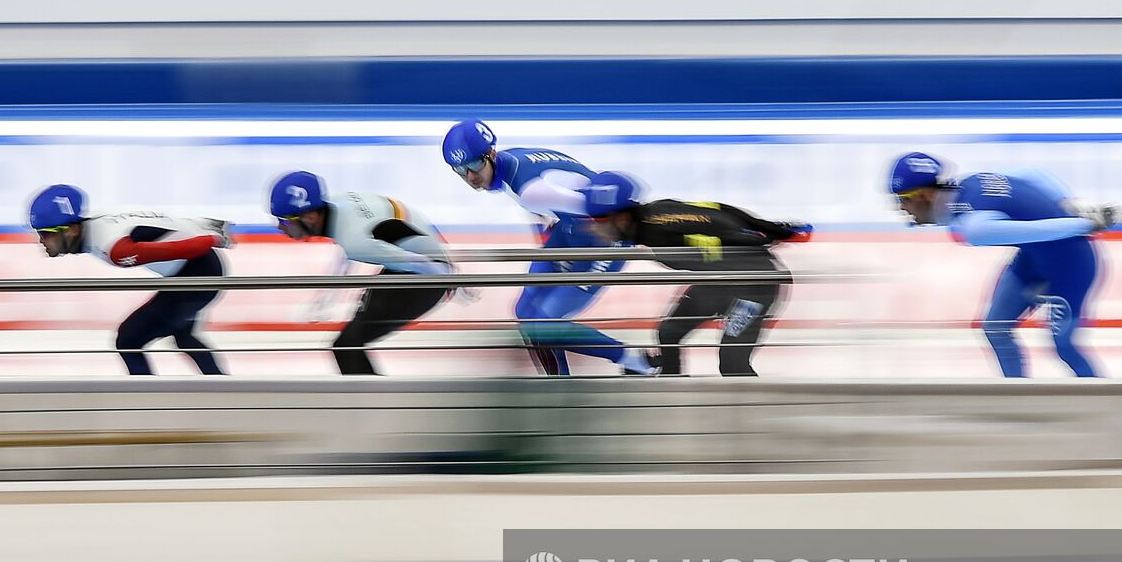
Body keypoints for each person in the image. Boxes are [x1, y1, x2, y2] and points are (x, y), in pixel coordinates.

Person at [441, 118, 656, 376]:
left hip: (606, 241)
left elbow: (602, 208)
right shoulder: (511, 163)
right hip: (570, 230)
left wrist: (637, 235)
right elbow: (545, 205)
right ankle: (557, 381)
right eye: (460, 169)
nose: (470, 176)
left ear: (491, 154)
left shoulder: (530, 190)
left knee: (545, 324)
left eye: (475, 164)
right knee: (524, 312)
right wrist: (549, 238)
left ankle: (635, 360)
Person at [888, 152, 1120, 378]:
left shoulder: (975, 228)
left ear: (926, 195)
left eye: (903, 199)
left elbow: (1037, 231)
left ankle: (1104, 399)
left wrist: (1084, 224)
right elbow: (1033, 173)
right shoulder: (970, 181)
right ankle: (1018, 396)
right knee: (995, 328)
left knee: (1064, 346)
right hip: (1036, 257)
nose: (901, 208)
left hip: (1073, 265)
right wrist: (1069, 203)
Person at [582, 172, 810, 376]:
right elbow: (715, 208)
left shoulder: (658, 225)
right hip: (721, 281)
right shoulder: (652, 218)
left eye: (598, 220)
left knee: (732, 363)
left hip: (756, 285)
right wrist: (767, 227)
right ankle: (671, 389)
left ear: (622, 218)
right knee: (669, 333)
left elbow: (714, 217)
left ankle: (754, 410)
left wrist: (769, 232)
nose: (592, 228)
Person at [27, 184, 232, 376]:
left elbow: (175, 248)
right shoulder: (93, 223)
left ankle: (148, 399)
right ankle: (223, 386)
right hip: (195, 268)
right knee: (183, 336)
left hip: (200, 273)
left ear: (72, 229)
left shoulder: (114, 249)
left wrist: (211, 238)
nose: (41, 240)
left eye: (45, 233)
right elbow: (156, 222)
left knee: (129, 340)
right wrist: (203, 225)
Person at [269, 171, 459, 376]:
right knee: (348, 344)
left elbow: (414, 261)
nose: (280, 227)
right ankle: (371, 393)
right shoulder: (337, 204)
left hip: (428, 274)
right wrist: (327, 298)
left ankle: (374, 396)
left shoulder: (354, 242)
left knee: (347, 346)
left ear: (311, 217)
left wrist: (451, 279)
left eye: (284, 221)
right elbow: (347, 251)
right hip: (415, 263)